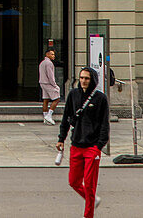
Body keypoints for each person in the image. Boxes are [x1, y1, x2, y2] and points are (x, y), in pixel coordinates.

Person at [57, 66, 109, 218]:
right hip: (76, 144)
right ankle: (91, 200)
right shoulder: (73, 94)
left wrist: (99, 146)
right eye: (81, 78)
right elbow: (66, 118)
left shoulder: (100, 98)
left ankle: (88, 214)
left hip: (92, 147)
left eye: (86, 78)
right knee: (73, 181)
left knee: (90, 184)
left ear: (92, 80)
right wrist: (61, 139)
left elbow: (105, 124)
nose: (83, 81)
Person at [39, 48, 60, 124]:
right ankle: (49, 115)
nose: (53, 56)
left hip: (42, 83)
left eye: (53, 54)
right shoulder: (49, 63)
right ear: (47, 54)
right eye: (52, 54)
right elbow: (50, 76)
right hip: (48, 83)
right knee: (56, 99)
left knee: (46, 100)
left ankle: (45, 117)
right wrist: (55, 85)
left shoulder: (42, 63)